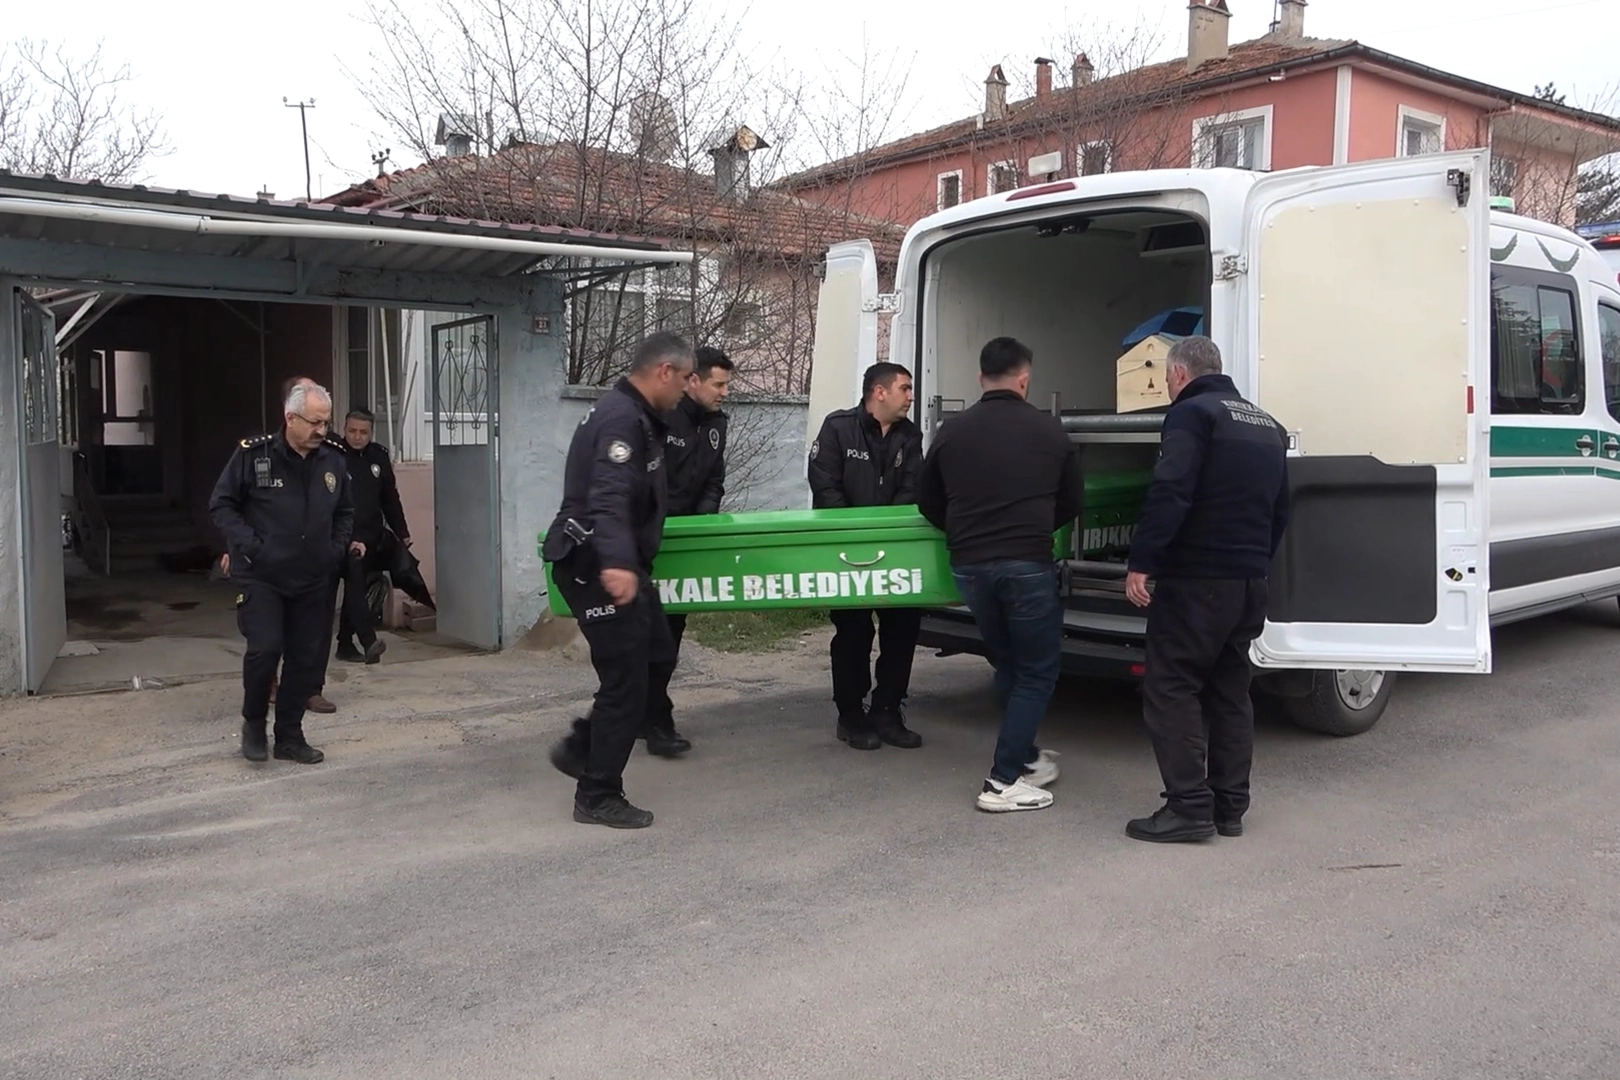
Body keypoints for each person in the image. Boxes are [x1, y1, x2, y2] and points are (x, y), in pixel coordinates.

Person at [1122, 336, 1290, 843]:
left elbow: (1171, 489)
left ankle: (1188, 807)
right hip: (1248, 581)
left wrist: (1143, 561)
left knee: (1171, 687)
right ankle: (1229, 807)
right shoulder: (1267, 425)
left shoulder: (1192, 414)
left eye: (1166, 378)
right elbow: (1281, 509)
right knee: (1230, 691)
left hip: (1197, 580)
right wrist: (1254, 562)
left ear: (1179, 373)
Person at [916, 337, 1081, 812]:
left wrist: (965, 531)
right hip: (1026, 563)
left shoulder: (951, 431)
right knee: (1037, 671)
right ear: (1024, 380)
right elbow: (1072, 501)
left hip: (970, 566)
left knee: (1008, 663)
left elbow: (927, 500)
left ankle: (1025, 756)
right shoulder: (1049, 431)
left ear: (980, 378)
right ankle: (1003, 780)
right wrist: (1032, 529)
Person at [541, 332, 696, 828]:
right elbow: (608, 496)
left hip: (615, 557)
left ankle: (582, 747)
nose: (687, 389)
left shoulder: (638, 416)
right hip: (594, 561)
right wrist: (617, 564)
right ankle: (597, 793)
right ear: (664, 372)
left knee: (657, 654)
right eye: (685, 377)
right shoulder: (621, 420)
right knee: (626, 679)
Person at [209, 382, 354, 765]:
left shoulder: (333, 460)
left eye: (326, 422)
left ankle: (289, 735)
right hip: (263, 576)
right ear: (290, 418)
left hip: (312, 576)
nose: (322, 430)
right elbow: (222, 505)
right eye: (315, 422)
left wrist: (333, 551)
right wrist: (253, 546)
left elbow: (345, 511)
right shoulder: (253, 455)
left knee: (304, 658)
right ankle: (254, 725)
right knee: (266, 649)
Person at [807, 362, 925, 751]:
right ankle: (850, 714)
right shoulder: (838, 428)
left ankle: (887, 710)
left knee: (902, 630)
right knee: (853, 634)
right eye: (905, 388)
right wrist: (858, 535)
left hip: (895, 552)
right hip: (847, 553)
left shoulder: (909, 436)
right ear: (879, 392)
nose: (911, 397)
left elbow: (913, 488)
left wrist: (887, 534)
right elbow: (825, 487)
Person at [642, 345, 732, 758]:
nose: (724, 393)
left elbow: (714, 480)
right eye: (719, 384)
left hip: (684, 545)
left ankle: (646, 714)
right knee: (647, 637)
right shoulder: (662, 416)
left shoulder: (716, 425)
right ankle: (652, 719)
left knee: (669, 633)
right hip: (649, 540)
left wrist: (701, 525)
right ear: (693, 381)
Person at [334, 407, 412, 664]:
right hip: (341, 537)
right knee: (355, 585)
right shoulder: (333, 456)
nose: (357, 437)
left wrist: (402, 531)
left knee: (355, 591)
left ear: (371, 433)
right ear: (344, 430)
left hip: (370, 537)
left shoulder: (378, 456)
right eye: (352, 431)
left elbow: (390, 498)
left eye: (363, 432)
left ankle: (345, 644)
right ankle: (368, 641)